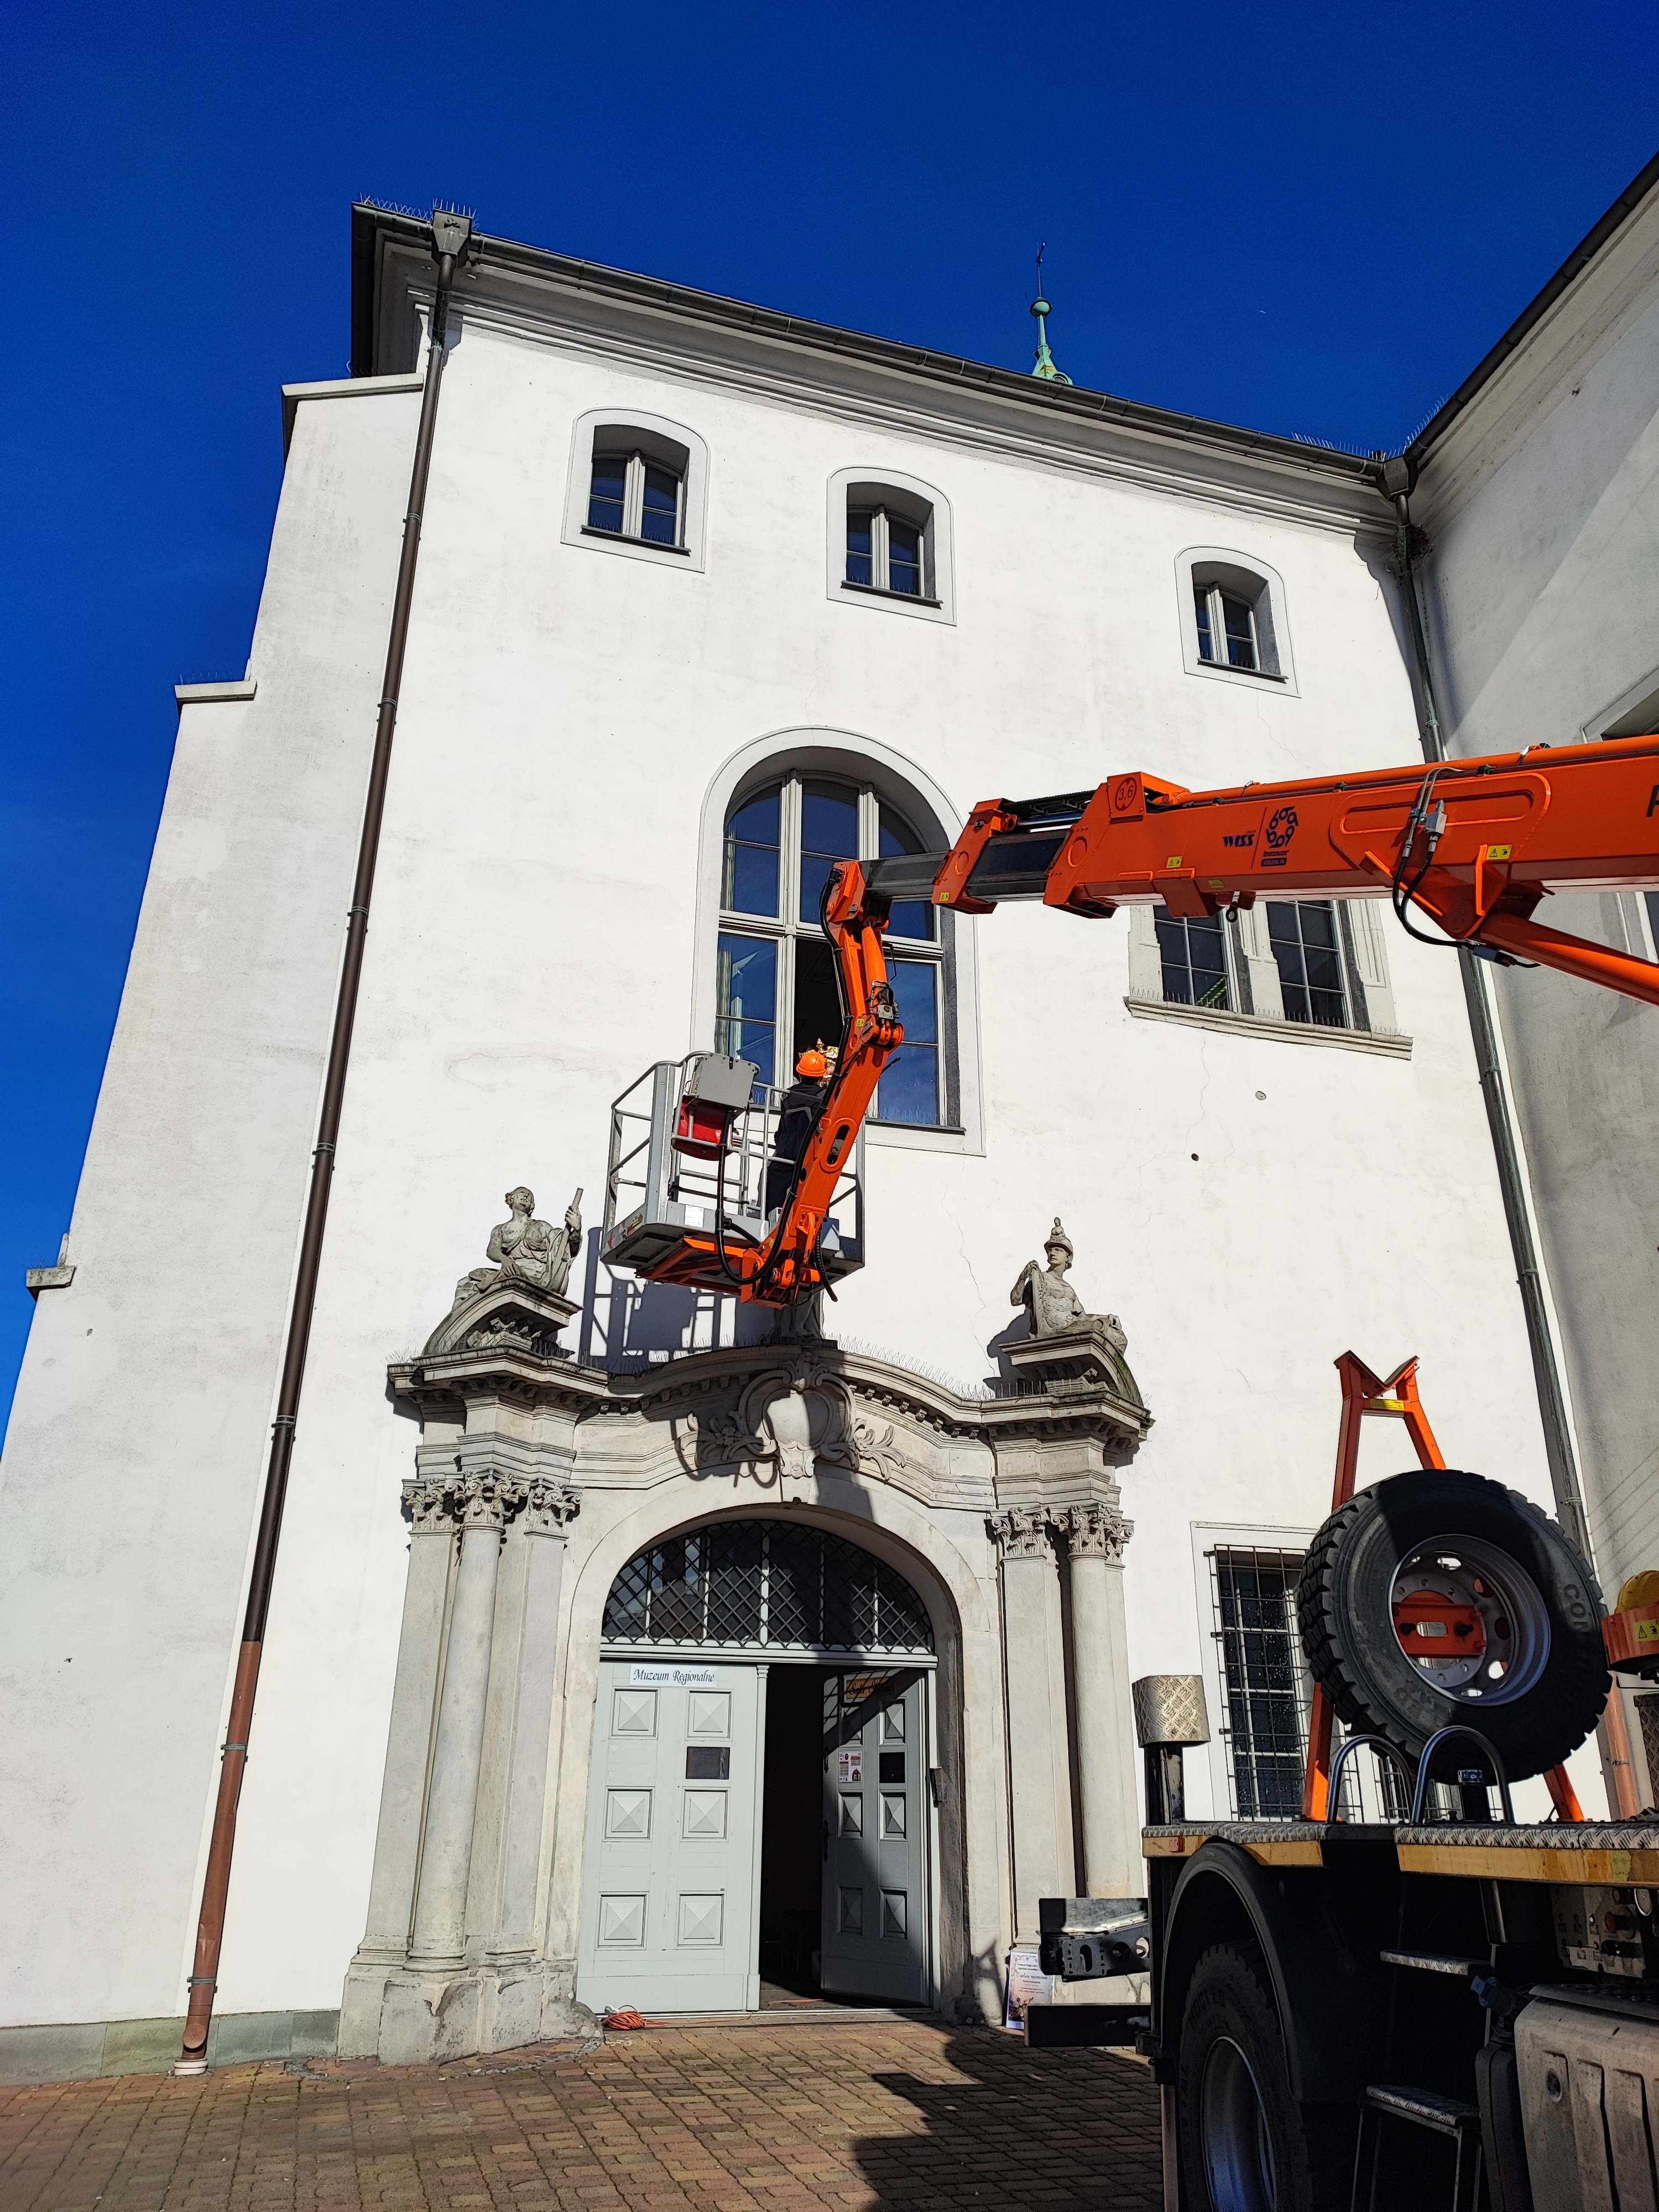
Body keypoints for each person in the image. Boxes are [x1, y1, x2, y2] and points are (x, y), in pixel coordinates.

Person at [765, 1046, 834, 1216]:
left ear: (800, 1073)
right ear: (822, 1076)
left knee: (773, 1207)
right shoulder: (825, 1097)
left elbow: (780, 1132)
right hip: (809, 1157)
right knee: (812, 1202)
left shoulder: (787, 1096)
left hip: (784, 1155)